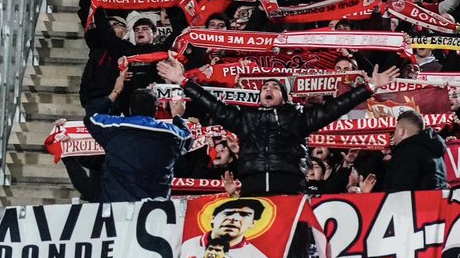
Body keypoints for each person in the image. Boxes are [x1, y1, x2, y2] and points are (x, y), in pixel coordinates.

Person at [157, 58, 400, 195]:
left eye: (274, 87)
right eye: (264, 88)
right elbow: (213, 105)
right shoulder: (245, 118)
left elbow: (336, 107)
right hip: (252, 188)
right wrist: (183, 81)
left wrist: (369, 87)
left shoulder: (298, 117)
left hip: (289, 187)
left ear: (284, 97)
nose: (267, 89)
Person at [83, 68, 191, 202]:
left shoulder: (114, 127)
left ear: (129, 109)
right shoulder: (171, 134)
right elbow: (187, 138)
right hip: (156, 212)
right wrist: (177, 115)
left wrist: (116, 91)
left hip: (116, 209)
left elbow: (91, 114)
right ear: (156, 110)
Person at [382, 109, 447, 191]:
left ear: (401, 131)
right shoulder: (436, 152)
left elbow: (397, 192)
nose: (393, 136)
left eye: (395, 130)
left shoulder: (405, 154)